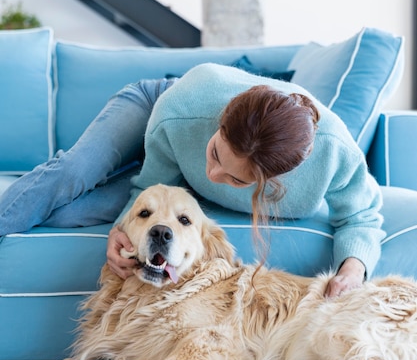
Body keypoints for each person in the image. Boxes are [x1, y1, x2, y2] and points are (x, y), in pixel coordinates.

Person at [0, 63, 384, 298]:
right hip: (158, 111)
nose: (213, 175)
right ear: (218, 126)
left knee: (69, 215)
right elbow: (148, 189)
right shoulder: (186, 107)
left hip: (179, 167)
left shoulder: (335, 153)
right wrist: (123, 227)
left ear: (275, 180)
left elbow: (362, 216)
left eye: (236, 180)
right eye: (217, 154)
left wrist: (351, 271)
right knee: (74, 175)